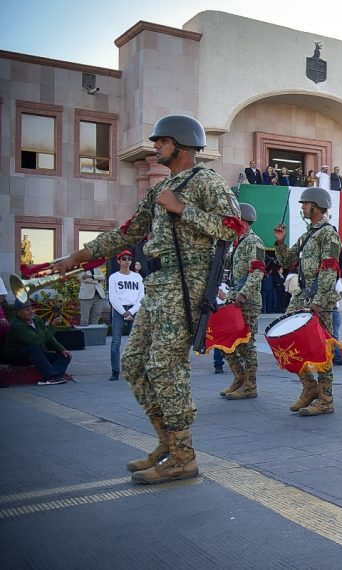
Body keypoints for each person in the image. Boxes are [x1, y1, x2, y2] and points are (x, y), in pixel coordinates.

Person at [52, 114, 241, 484]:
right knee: (135, 362)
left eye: (162, 141)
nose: (156, 146)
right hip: (157, 284)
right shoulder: (160, 189)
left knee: (165, 367)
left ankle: (183, 456)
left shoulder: (206, 182)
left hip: (186, 284)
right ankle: (167, 441)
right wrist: (78, 256)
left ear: (183, 145)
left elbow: (233, 227)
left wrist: (182, 208)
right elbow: (128, 232)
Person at [273, 186, 342, 416]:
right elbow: (287, 260)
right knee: (289, 341)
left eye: (305, 204)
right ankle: (309, 386)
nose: (302, 207)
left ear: (316, 206)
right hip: (302, 296)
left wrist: (320, 300)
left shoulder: (328, 234)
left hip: (318, 298)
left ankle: (326, 399)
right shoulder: (307, 234)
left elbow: (330, 269)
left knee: (322, 348)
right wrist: (280, 242)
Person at [218, 203, 265, 399]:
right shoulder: (237, 242)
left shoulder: (255, 242)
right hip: (234, 296)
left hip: (248, 299)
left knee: (247, 342)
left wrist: (244, 293)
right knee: (226, 340)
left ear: (243, 220)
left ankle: (250, 384)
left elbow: (258, 271)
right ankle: (239, 377)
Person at [4, 300, 72, 385]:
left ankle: (54, 377)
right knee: (33, 348)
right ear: (18, 312)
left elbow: (48, 337)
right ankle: (51, 376)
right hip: (18, 356)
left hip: (37, 354)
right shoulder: (16, 325)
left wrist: (61, 349)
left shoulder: (36, 319)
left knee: (65, 355)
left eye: (31, 309)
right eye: (27, 310)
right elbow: (36, 340)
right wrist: (53, 326)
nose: (31, 312)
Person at [107, 250, 144, 381]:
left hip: (134, 310)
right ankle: (115, 370)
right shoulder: (114, 277)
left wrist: (132, 311)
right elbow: (113, 297)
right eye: (123, 258)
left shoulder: (137, 277)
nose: (127, 261)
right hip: (119, 310)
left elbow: (141, 296)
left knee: (136, 342)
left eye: (129, 258)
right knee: (115, 342)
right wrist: (124, 312)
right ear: (118, 261)